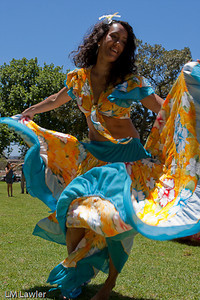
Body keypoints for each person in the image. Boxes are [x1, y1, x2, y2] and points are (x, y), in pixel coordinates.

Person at [0, 13, 200, 300]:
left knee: (113, 221)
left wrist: (189, 99)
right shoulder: (78, 79)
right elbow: (56, 100)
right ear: (100, 38)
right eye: (113, 37)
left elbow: (162, 109)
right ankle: (75, 274)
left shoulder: (128, 82)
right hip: (93, 158)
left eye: (123, 42)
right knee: (73, 215)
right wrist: (30, 111)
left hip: (126, 160)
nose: (117, 44)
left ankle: (109, 284)